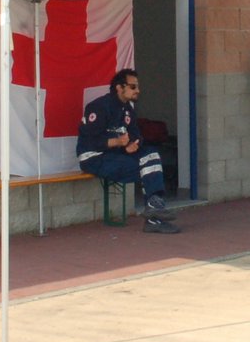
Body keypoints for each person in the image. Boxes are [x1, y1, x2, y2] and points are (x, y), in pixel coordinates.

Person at [76, 68, 178, 234]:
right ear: (119, 87)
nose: (138, 90)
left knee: (151, 154)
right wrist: (117, 141)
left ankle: (154, 207)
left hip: (116, 155)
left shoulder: (127, 109)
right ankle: (154, 217)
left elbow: (137, 134)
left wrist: (134, 144)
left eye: (137, 87)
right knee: (147, 171)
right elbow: (91, 141)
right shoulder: (99, 107)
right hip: (93, 157)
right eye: (133, 87)